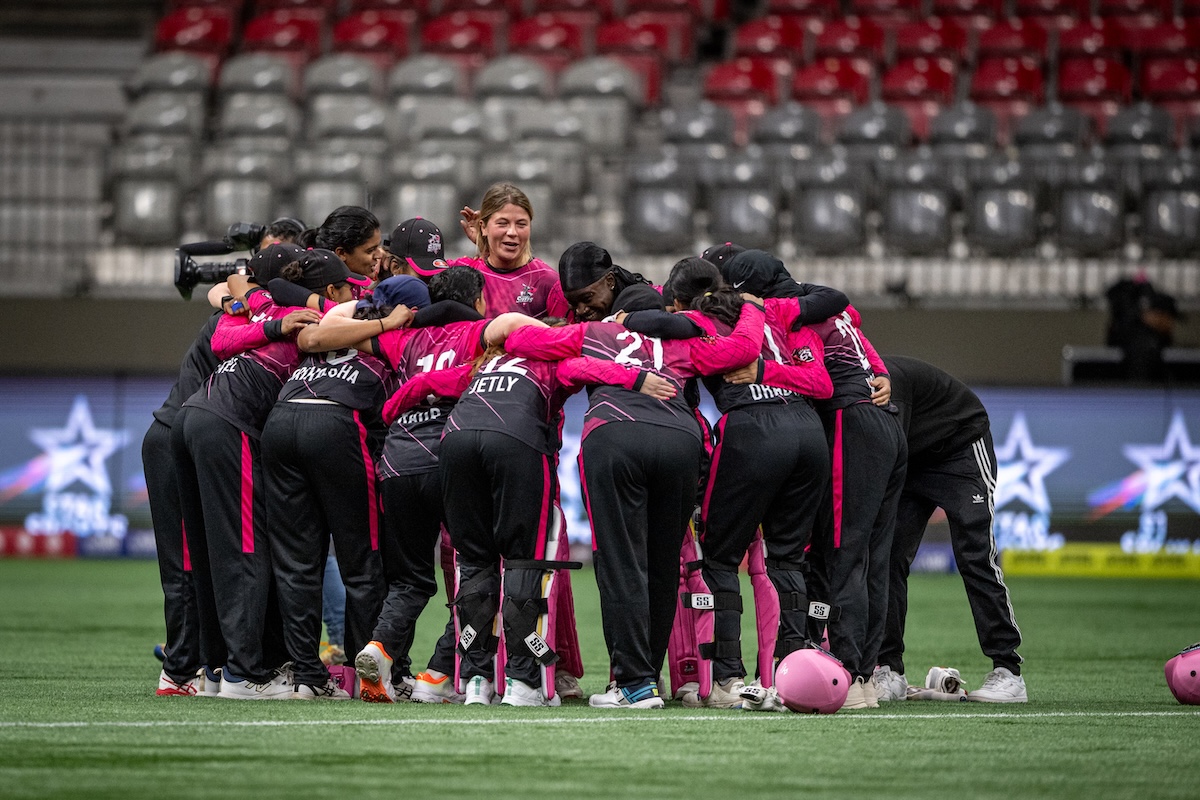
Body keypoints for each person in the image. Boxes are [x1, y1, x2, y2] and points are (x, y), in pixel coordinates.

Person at [504, 256, 772, 709]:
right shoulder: (686, 345)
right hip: (681, 443)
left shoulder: (597, 333)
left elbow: (524, 340)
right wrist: (754, 308)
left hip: (615, 438)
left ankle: (634, 683)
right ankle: (647, 679)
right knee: (665, 565)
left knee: (622, 563)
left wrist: (625, 374)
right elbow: (744, 350)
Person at [718, 249, 906, 711]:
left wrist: (762, 371)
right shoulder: (834, 310)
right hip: (887, 424)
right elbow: (855, 327)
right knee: (871, 557)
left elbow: (818, 380)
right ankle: (869, 672)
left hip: (849, 423)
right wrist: (880, 374)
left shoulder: (791, 316)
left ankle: (851, 675)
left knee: (842, 555)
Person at [255, 253, 413, 700]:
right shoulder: (400, 329)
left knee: (297, 562)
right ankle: (372, 677)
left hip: (282, 419)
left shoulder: (342, 315)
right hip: (337, 424)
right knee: (362, 561)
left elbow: (308, 337)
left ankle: (307, 676)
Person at [172, 243, 319, 700]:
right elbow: (223, 336)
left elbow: (224, 335)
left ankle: (214, 669)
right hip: (227, 423)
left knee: (212, 556)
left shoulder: (251, 314)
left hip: (195, 415)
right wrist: (274, 317)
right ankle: (244, 674)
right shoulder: (297, 319)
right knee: (245, 552)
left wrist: (256, 306)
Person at [873, 354, 1026, 703]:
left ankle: (1008, 671)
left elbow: (884, 457)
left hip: (960, 447)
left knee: (975, 555)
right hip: (913, 456)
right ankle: (889, 669)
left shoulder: (881, 384)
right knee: (888, 555)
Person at [144, 311, 221, 696]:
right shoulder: (243, 316)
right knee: (186, 568)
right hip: (177, 439)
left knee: (198, 565)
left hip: (182, 436)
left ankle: (201, 663)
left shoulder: (237, 310)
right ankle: (180, 671)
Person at [453, 182, 569, 319]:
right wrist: (484, 246)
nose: (513, 232)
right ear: (483, 227)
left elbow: (565, 336)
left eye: (521, 224)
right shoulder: (462, 273)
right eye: (502, 223)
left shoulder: (549, 282)